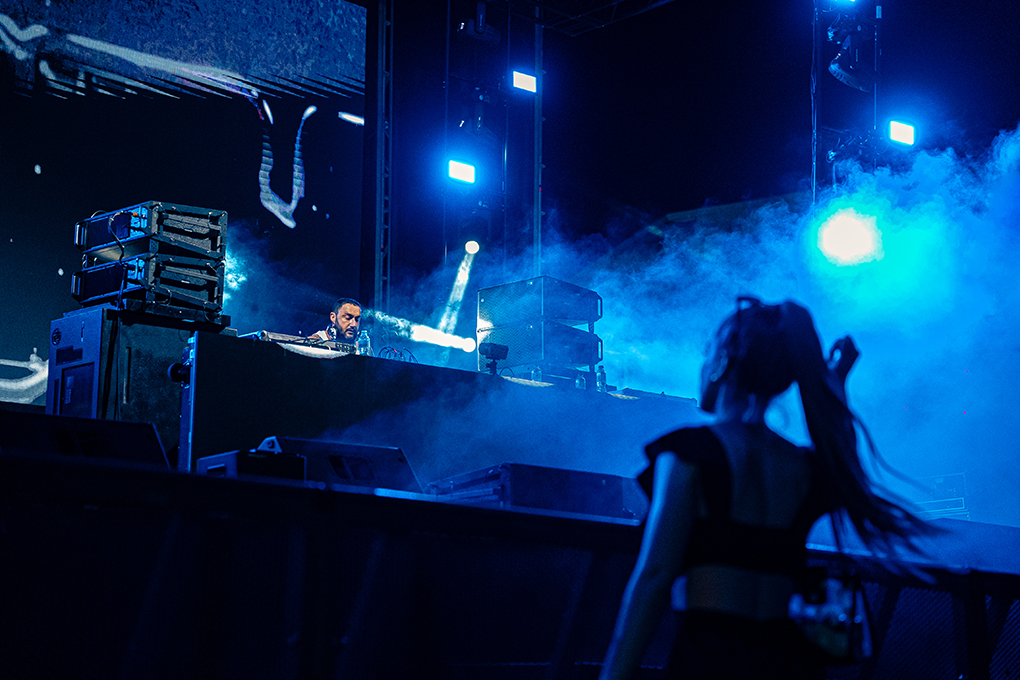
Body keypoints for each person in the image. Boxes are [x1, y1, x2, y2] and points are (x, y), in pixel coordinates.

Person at [599, 297, 936, 680]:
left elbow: (656, 575)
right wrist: (834, 387)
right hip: (788, 662)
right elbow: (841, 461)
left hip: (711, 660)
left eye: (707, 353)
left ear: (721, 362)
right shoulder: (804, 467)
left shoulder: (689, 453)